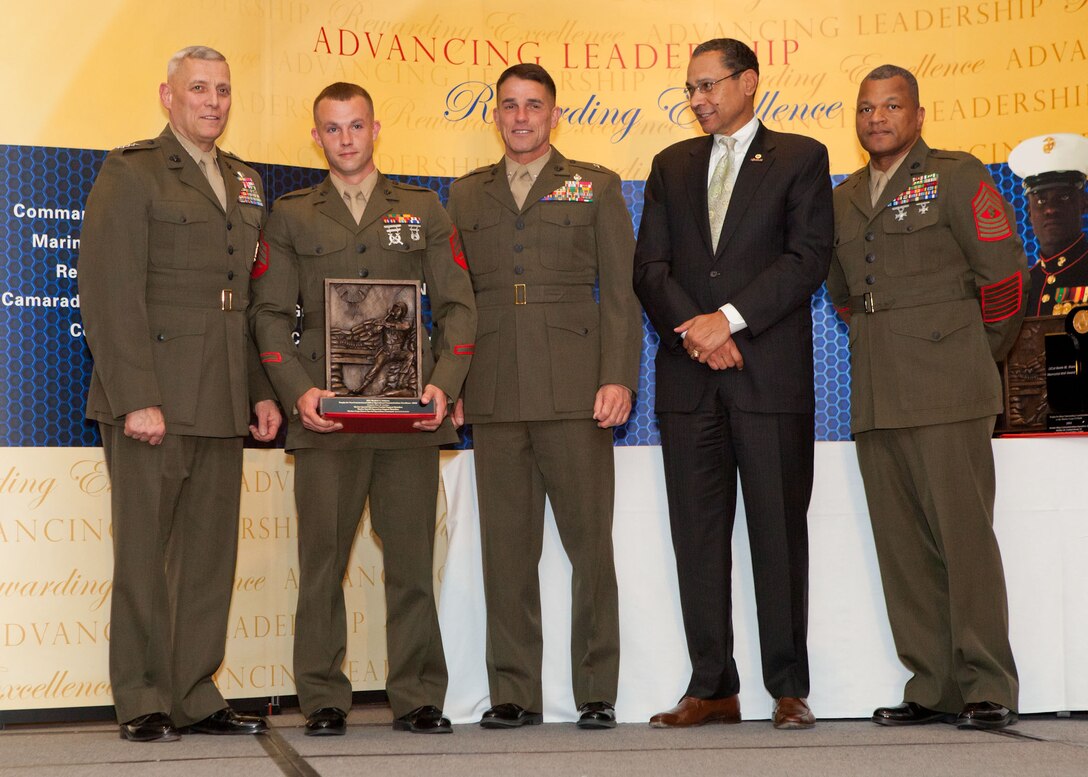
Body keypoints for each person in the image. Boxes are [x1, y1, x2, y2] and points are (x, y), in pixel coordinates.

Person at [248, 82, 476, 736]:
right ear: (315, 136)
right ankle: (322, 695)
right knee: (322, 564)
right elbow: (268, 317)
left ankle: (418, 695)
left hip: (410, 418)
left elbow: (458, 305)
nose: (345, 139)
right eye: (332, 128)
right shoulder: (292, 214)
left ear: (377, 129)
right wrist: (298, 392)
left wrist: (446, 382)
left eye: (356, 126)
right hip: (326, 418)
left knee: (411, 564)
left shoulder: (422, 208)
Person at [78, 45, 282, 743]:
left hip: (222, 394)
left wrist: (259, 390)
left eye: (222, 89)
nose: (213, 101)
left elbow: (251, 301)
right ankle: (141, 696)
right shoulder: (132, 172)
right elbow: (109, 291)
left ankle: (193, 691)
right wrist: (135, 393)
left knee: (208, 556)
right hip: (153, 394)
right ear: (167, 97)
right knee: (145, 553)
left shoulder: (246, 181)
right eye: (198, 88)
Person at [633, 38, 832, 730]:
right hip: (691, 379)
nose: (697, 99)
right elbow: (649, 268)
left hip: (768, 377)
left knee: (778, 533)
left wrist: (730, 320)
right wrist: (698, 329)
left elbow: (806, 258)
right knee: (698, 535)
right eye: (689, 89)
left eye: (709, 85)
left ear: (749, 82)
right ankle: (712, 684)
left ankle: (788, 686)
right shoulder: (669, 164)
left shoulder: (802, 157)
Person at [827, 65, 1027, 730]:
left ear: (917, 115)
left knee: (962, 539)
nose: (877, 118)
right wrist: (892, 340)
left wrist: (972, 351)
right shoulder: (846, 195)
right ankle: (933, 682)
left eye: (891, 106)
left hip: (948, 387)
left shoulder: (957, 174)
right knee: (903, 547)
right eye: (866, 108)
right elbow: (843, 294)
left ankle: (987, 683)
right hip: (878, 390)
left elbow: (1005, 278)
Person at [446, 63, 642, 730]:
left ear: (555, 114)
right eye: (509, 106)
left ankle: (596, 688)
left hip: (574, 388)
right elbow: (453, 301)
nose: (521, 117)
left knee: (591, 548)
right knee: (506, 551)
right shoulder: (466, 196)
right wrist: (454, 382)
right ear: (495, 116)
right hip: (495, 389)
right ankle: (513, 691)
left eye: (534, 105)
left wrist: (618, 375)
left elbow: (621, 293)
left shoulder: (595, 186)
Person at [1007, 133, 1088, 317]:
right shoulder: (1023, 288)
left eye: (1064, 197)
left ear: (1084, 203)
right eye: (1041, 200)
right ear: (1029, 212)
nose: (1050, 209)